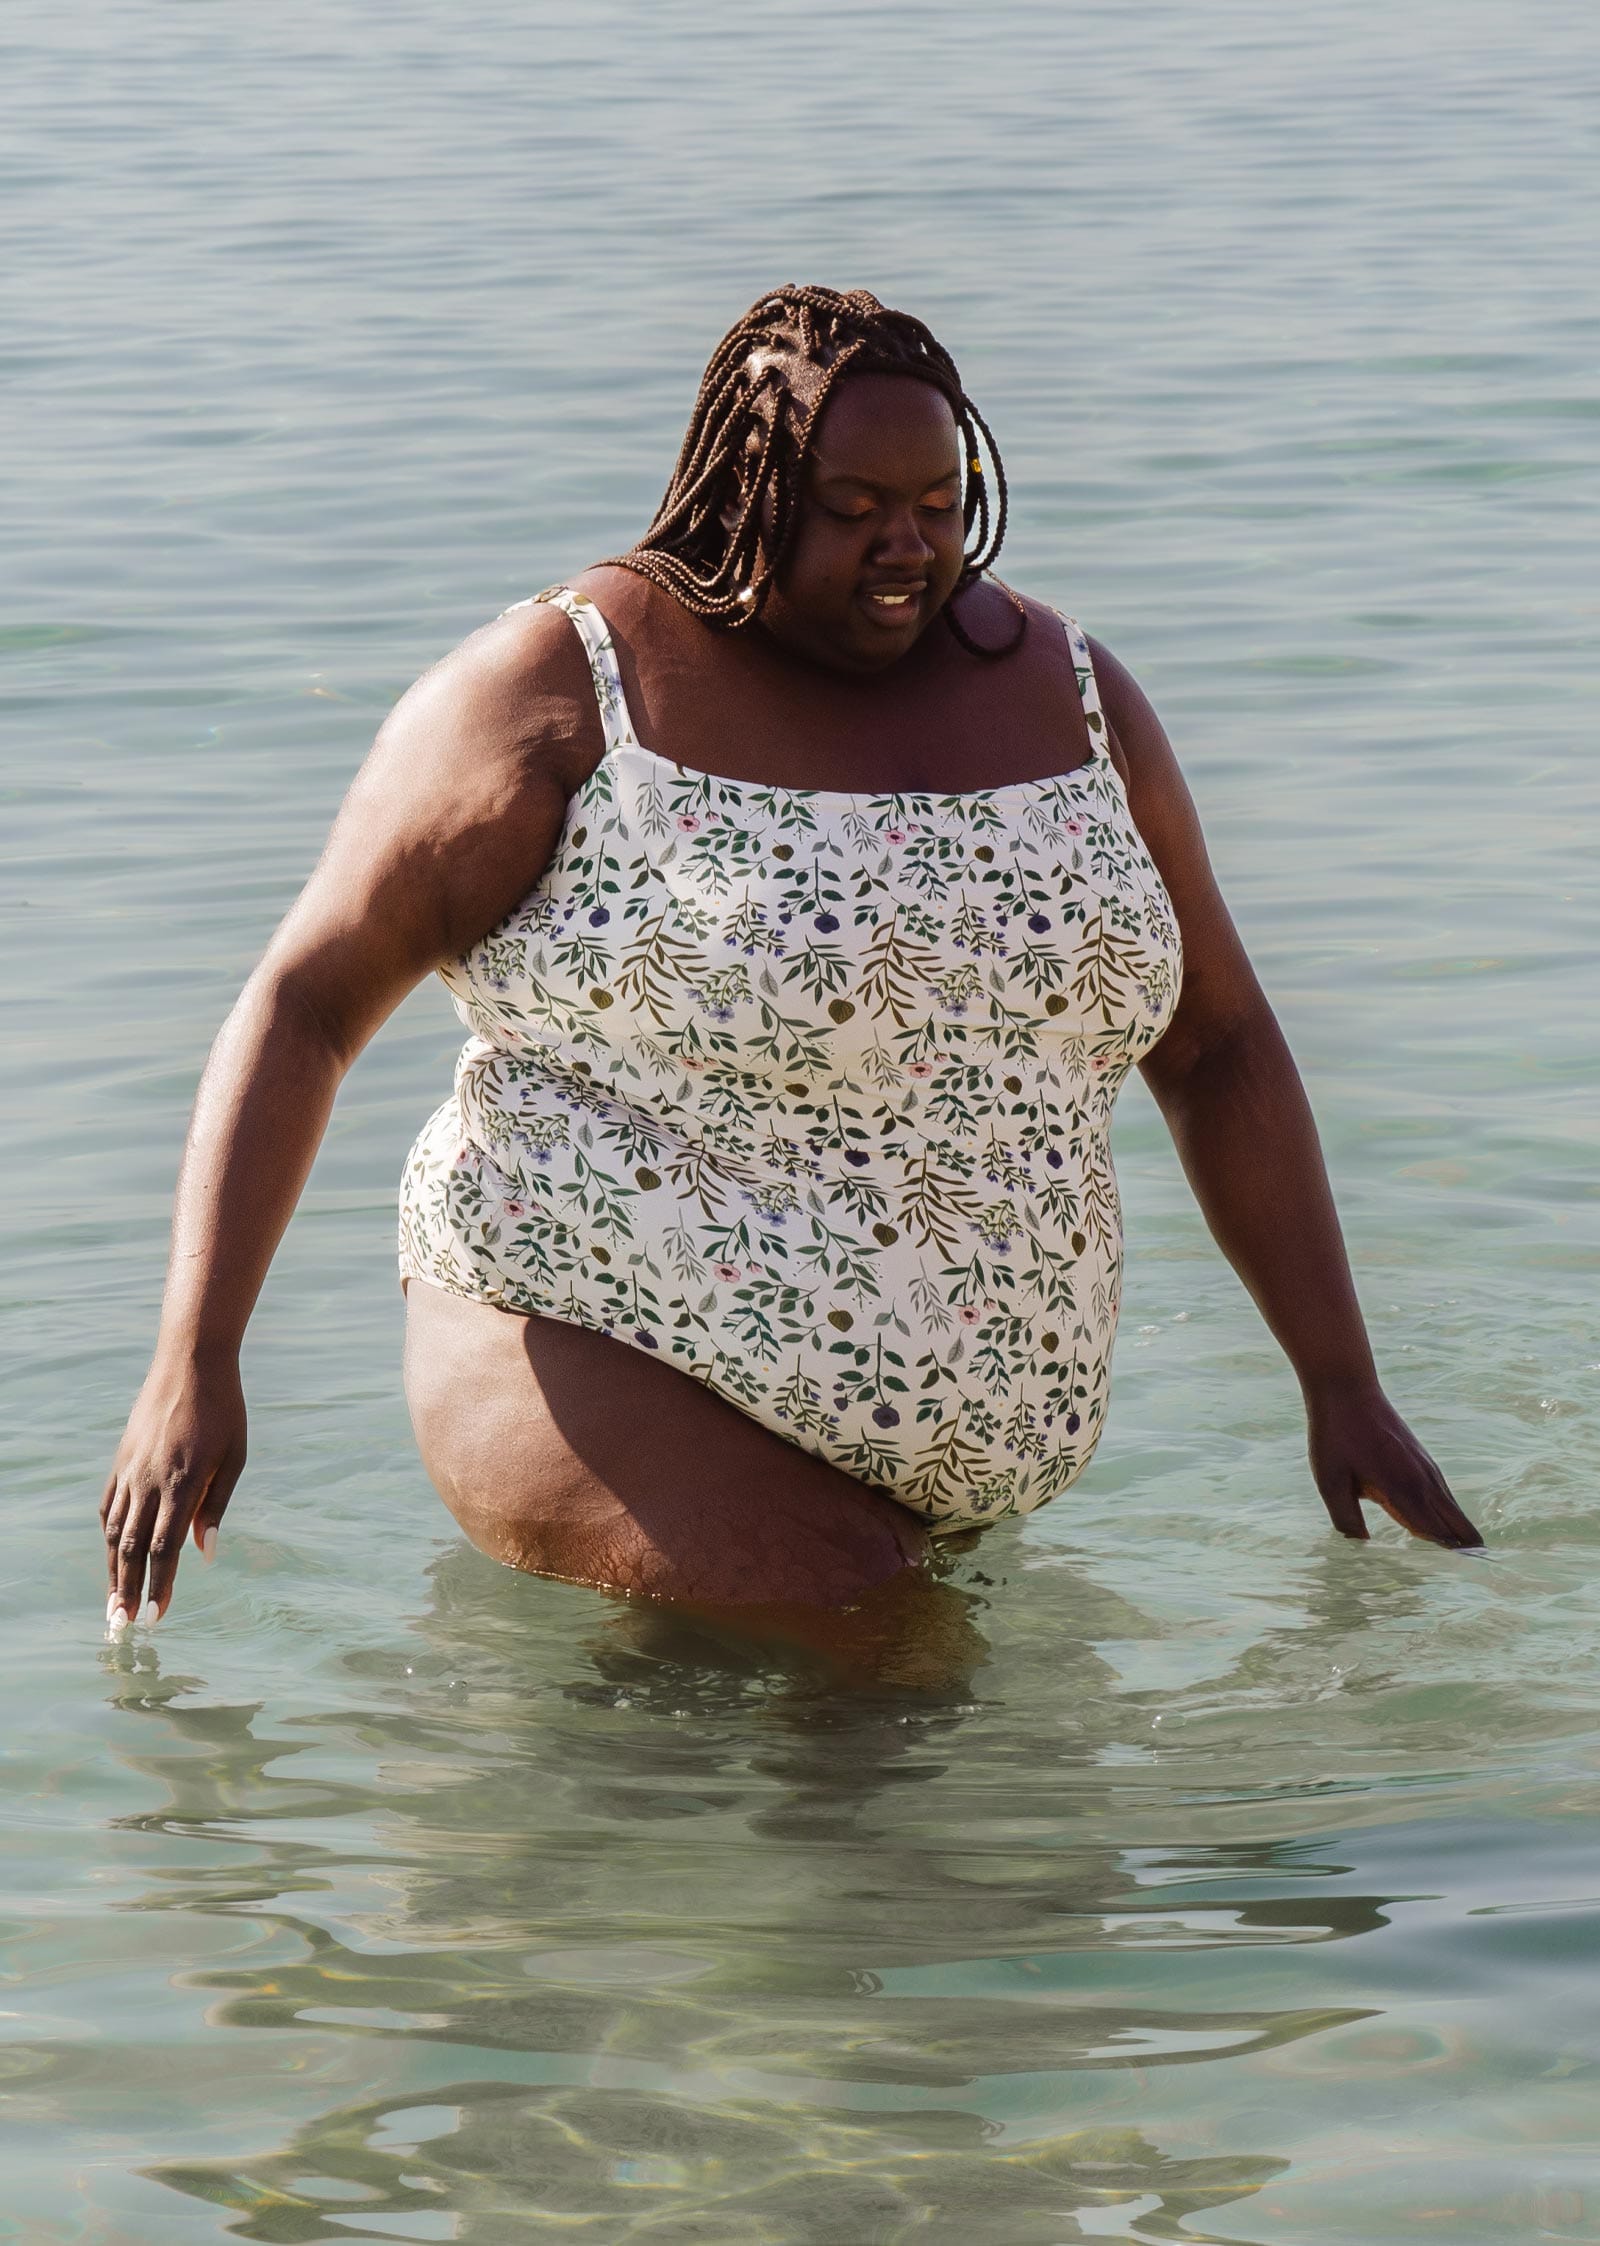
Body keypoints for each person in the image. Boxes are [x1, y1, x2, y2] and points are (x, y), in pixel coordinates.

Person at [100, 284, 1483, 1633]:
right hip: (601, 1334)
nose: (910, 547)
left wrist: (1338, 1378)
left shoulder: (1073, 695)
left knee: (895, 1797)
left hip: (927, 1456)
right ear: (746, 490)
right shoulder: (561, 689)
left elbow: (1217, 1042)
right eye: (855, 510)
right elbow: (307, 1002)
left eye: (939, 506)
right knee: (904, 1722)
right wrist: (195, 1359)